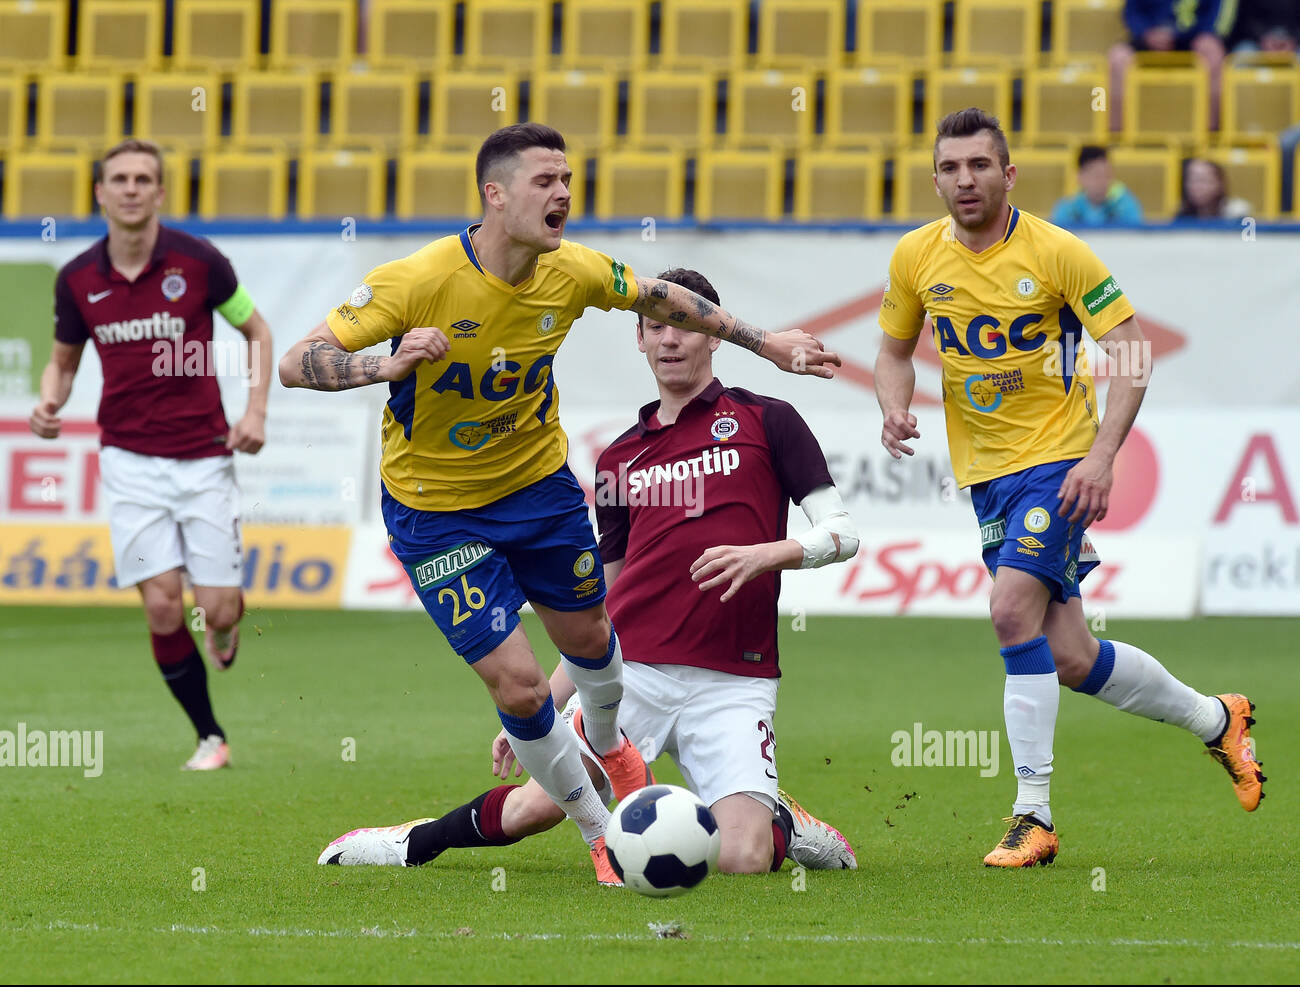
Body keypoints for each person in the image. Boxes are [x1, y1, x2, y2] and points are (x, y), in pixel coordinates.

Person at [279, 125, 839, 875]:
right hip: (436, 511)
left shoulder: (569, 270)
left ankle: (611, 745)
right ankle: (599, 829)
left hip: (538, 491)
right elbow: (295, 362)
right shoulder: (416, 280)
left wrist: (766, 342)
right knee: (516, 682)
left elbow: (659, 295)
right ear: (495, 194)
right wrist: (386, 362)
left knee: (588, 641)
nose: (564, 194)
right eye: (546, 181)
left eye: (568, 179)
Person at [873, 108, 1265, 868]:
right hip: (986, 478)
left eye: (979, 166)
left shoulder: (1057, 251)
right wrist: (893, 403)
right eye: (950, 168)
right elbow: (892, 351)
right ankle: (1218, 718)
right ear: (935, 179)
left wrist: (1103, 456)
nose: (964, 180)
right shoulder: (916, 256)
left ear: (1008, 173)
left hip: (1057, 463)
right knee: (1073, 657)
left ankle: (1034, 814)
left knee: (1009, 607)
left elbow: (1131, 350)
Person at [29, 138, 273, 771]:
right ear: (100, 194)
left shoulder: (200, 262)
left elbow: (257, 330)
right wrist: (48, 402)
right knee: (163, 604)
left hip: (203, 457)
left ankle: (224, 624)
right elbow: (62, 363)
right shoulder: (77, 278)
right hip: (129, 461)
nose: (132, 188)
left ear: (160, 192)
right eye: (120, 179)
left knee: (213, 606)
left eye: (144, 178)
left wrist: (254, 412)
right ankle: (210, 738)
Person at [1108, 1, 1237, 132]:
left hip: (1190, 40)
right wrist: (1146, 34)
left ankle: (1210, 133)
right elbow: (1131, 12)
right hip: (1148, 39)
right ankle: (1117, 135)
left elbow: (1212, 16)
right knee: (1117, 57)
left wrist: (1180, 36)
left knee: (1212, 51)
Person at [1051, 146, 1144, 228]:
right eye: (1096, 175)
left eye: (1107, 175)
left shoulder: (1125, 205)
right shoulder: (1067, 209)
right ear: (1080, 177)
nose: (1103, 181)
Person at [1176, 156, 1253, 219]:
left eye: (1203, 180)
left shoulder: (1237, 212)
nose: (1196, 186)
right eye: (1191, 180)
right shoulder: (1181, 213)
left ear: (1220, 183)